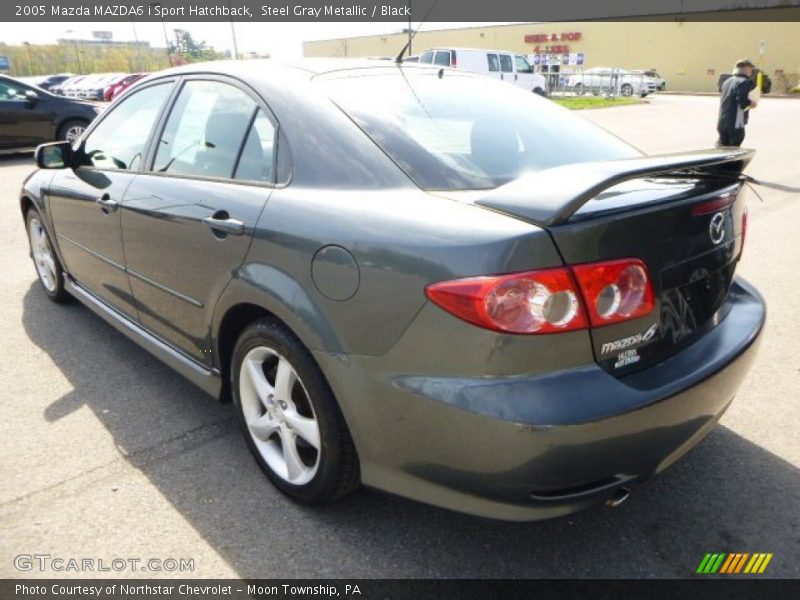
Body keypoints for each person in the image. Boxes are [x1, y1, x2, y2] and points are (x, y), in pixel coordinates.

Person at [717, 59, 758, 147]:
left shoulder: (727, 82)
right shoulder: (744, 82)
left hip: (722, 123)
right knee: (733, 151)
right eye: (751, 69)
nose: (751, 72)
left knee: (722, 149)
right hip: (735, 124)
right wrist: (752, 103)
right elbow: (742, 102)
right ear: (747, 68)